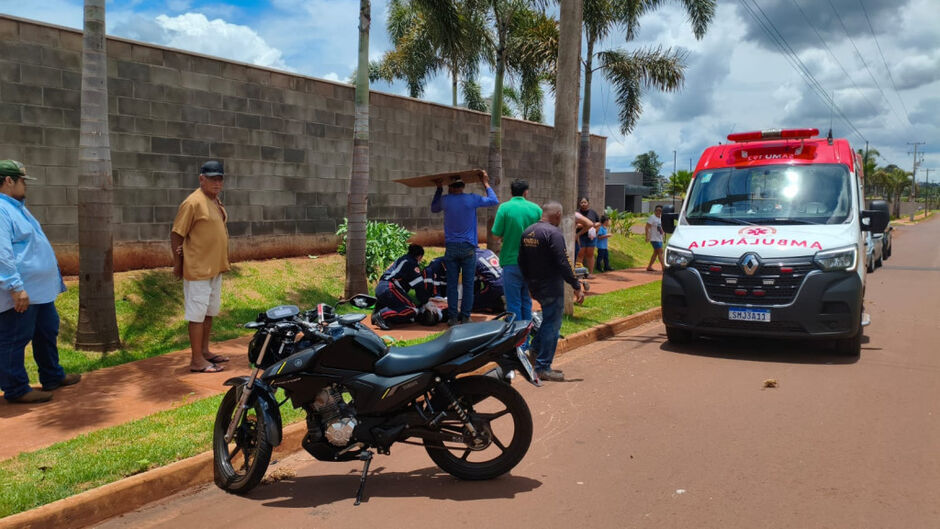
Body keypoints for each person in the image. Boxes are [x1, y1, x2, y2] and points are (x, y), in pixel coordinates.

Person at [0, 160, 81, 403]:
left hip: (40, 292)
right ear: (8, 181)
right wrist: (15, 288)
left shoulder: (17, 207)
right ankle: (16, 389)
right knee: (14, 339)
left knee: (46, 331)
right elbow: (2, 252)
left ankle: (52, 375)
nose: (26, 185)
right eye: (23, 180)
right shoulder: (2, 210)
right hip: (21, 292)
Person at [171, 160, 230, 373]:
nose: (217, 182)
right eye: (212, 178)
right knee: (196, 314)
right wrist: (178, 265)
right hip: (197, 269)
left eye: (220, 178)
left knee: (208, 312)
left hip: (214, 268)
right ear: (201, 179)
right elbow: (177, 234)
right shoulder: (193, 202)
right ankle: (196, 360)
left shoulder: (215, 201)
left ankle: (204, 351)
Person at [518, 202, 585, 382]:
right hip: (551, 286)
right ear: (556, 214)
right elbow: (563, 262)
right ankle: (542, 367)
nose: (560, 220)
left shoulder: (528, 232)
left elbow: (521, 261)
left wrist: (529, 284)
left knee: (548, 321)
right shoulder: (553, 233)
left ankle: (534, 350)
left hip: (536, 285)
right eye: (560, 216)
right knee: (553, 325)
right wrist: (576, 285)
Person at [431, 172, 499, 326]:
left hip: (452, 248)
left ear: (450, 187)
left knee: (452, 284)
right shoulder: (472, 198)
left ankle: (453, 318)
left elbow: (434, 208)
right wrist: (485, 182)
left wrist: (439, 188)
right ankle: (466, 316)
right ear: (463, 186)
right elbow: (494, 200)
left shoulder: (446, 200)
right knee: (468, 285)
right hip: (469, 248)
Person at [491, 179, 541, 322]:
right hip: (531, 263)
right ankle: (526, 338)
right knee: (526, 300)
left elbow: (495, 235)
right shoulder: (536, 209)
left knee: (513, 303)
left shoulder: (504, 208)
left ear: (511, 192)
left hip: (511, 261)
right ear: (526, 192)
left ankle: (517, 340)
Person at [424, 248, 505, 314]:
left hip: (494, 286)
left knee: (467, 304)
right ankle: (496, 303)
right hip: (506, 282)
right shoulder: (487, 251)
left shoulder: (471, 259)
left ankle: (492, 304)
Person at [372, 244, 433, 330]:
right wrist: (426, 302)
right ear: (419, 256)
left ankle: (379, 310)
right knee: (412, 309)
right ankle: (382, 315)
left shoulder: (402, 259)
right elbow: (419, 287)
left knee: (400, 304)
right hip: (390, 287)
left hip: (381, 287)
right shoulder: (412, 264)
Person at [575, 197, 600, 277]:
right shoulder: (577, 213)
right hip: (580, 237)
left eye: (585, 202)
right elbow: (576, 225)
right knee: (580, 254)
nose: (583, 204)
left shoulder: (593, 213)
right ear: (579, 203)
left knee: (590, 254)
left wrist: (595, 231)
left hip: (591, 237)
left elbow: (598, 223)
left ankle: (591, 273)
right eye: (581, 202)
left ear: (588, 203)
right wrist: (586, 225)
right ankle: (579, 273)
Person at [645, 205, 665, 272]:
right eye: (657, 210)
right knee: (660, 251)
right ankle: (663, 267)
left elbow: (663, 228)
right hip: (654, 238)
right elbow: (647, 227)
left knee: (656, 253)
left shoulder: (661, 218)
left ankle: (649, 267)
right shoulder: (652, 217)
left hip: (660, 238)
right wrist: (647, 236)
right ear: (654, 211)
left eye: (660, 210)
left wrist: (664, 237)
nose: (658, 212)